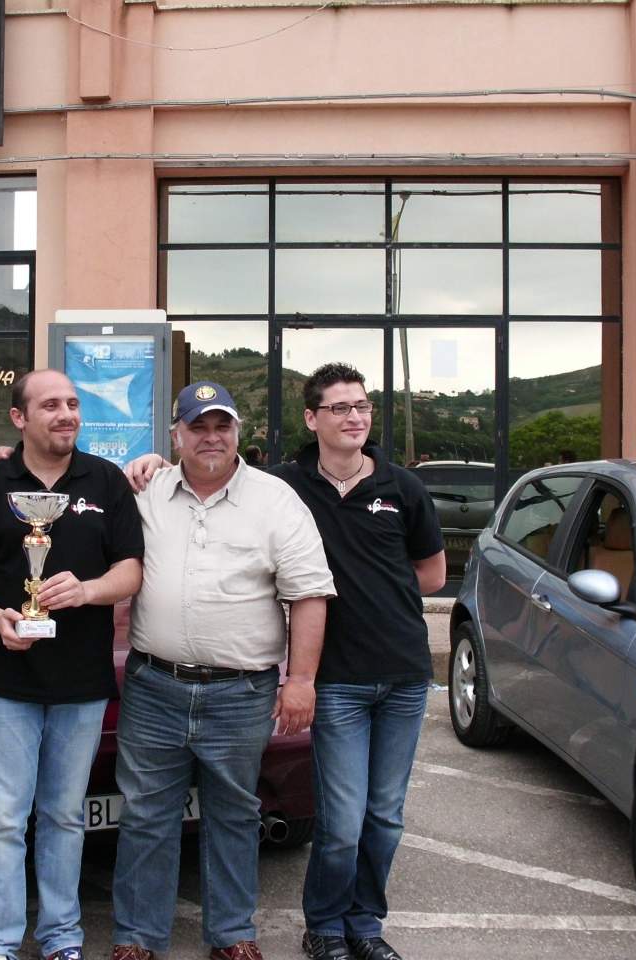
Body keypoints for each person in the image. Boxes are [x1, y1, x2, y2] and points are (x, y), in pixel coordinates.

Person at [111, 381, 335, 960]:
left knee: (235, 814)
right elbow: (73, 499)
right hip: (154, 686)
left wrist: (301, 681)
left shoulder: (276, 500)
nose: (211, 437)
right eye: (198, 427)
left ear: (238, 432)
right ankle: (137, 938)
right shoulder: (146, 491)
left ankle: (232, 935)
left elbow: (309, 594)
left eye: (222, 426)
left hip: (240, 692)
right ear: (176, 436)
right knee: (146, 815)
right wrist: (2, 456)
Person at [0, 369, 144, 960]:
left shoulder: (107, 481)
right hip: (2, 681)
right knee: (3, 817)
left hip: (81, 681)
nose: (67, 415)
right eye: (51, 405)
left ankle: (61, 937)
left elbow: (131, 569)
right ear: (19, 418)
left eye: (73, 404)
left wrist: (87, 591)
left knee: (63, 816)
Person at [270, 364, 444, 960]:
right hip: (336, 678)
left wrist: (379, 595)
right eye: (340, 407)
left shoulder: (402, 488)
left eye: (363, 406)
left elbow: (432, 574)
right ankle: (324, 925)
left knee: (385, 816)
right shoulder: (286, 486)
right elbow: (214, 471)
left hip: (403, 675)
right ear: (312, 418)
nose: (355, 417)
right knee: (342, 821)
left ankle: (364, 925)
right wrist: (151, 464)